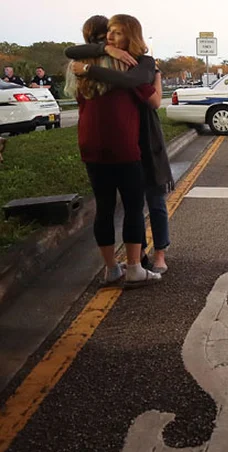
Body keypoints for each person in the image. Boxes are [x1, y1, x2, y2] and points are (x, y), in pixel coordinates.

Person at [66, 19, 171, 275]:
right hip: (125, 143)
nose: (110, 38)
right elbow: (143, 92)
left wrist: (89, 68)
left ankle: (121, 265)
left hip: (111, 141)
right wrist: (107, 52)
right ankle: (136, 264)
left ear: (130, 36)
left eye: (116, 33)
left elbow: (151, 98)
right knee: (134, 206)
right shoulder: (125, 62)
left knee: (114, 205)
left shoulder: (88, 67)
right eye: (108, 34)